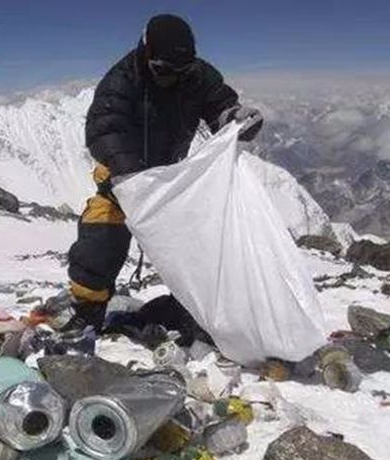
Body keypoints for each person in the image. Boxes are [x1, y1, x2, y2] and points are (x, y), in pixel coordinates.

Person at [64, 13, 263, 332]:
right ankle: (87, 312)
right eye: (163, 70)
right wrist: (131, 178)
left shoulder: (197, 76)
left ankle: (195, 312)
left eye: (180, 71)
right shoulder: (121, 81)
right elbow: (105, 130)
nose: (171, 77)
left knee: (199, 246)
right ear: (146, 54)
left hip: (172, 183)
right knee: (101, 240)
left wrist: (235, 118)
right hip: (121, 182)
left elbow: (218, 105)